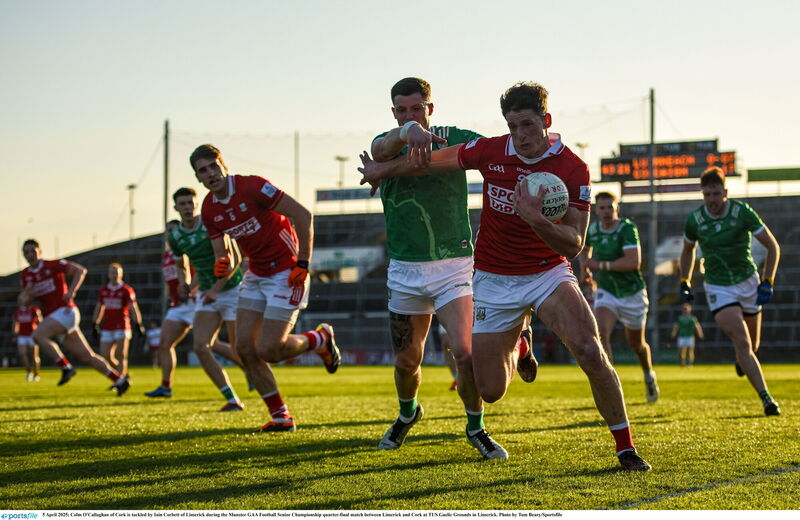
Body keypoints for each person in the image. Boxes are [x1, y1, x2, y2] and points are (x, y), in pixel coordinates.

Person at [359, 82, 651, 471]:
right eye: (512, 126)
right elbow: (427, 161)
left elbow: (574, 244)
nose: (520, 135)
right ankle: (519, 344)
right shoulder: (492, 151)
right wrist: (382, 169)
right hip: (493, 279)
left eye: (528, 125)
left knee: (588, 349)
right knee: (492, 391)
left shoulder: (572, 168)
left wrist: (533, 217)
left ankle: (625, 447)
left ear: (546, 121)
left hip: (547, 273)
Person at [369, 77, 535, 460]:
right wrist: (406, 135)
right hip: (404, 270)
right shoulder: (385, 142)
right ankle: (408, 413)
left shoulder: (453, 137)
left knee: (465, 352)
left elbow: (495, 152)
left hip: (454, 267)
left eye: (417, 108)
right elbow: (381, 149)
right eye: (402, 110)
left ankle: (475, 426)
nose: (410, 115)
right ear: (394, 113)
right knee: (406, 361)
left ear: (431, 108)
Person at [192, 144, 340, 432]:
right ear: (198, 178)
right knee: (245, 349)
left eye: (213, 166)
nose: (210, 174)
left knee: (269, 349)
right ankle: (281, 417)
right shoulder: (209, 209)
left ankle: (319, 339)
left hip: (288, 272)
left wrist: (303, 263)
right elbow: (223, 253)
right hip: (255, 274)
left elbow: (303, 215)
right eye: (203, 171)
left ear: (223, 165)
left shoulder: (253, 186)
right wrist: (221, 264)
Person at [679, 167, 781, 416]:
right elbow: (687, 250)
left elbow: (772, 246)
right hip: (718, 287)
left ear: (725, 192)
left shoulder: (742, 212)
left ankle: (742, 361)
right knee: (743, 341)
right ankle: (766, 399)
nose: (711, 200)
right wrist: (685, 280)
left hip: (748, 282)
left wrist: (767, 280)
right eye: (706, 194)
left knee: (751, 346)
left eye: (715, 194)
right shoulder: (696, 220)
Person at [145, 190, 247, 412]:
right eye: (182, 204)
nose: (187, 207)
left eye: (190, 203)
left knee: (241, 349)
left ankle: (258, 380)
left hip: (231, 291)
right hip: (206, 295)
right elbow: (181, 265)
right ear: (176, 208)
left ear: (196, 204)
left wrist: (215, 288)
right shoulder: (175, 237)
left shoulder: (211, 224)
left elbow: (236, 259)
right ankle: (232, 399)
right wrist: (186, 283)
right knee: (201, 346)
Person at [19, 239, 130, 395]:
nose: (30, 255)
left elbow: (80, 270)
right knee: (88, 356)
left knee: (38, 335)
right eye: (26, 253)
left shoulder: (53, 265)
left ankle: (65, 367)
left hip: (65, 312)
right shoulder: (26, 275)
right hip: (55, 319)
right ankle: (119, 381)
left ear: (40, 251)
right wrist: (27, 294)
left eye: (33, 251)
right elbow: (23, 303)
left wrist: (72, 291)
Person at [579, 192, 659, 403]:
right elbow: (585, 251)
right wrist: (585, 272)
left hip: (632, 293)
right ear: (596, 210)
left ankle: (648, 375)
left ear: (617, 208)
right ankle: (610, 384)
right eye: (602, 208)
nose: (606, 212)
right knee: (601, 332)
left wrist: (597, 265)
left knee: (637, 344)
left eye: (609, 207)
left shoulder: (626, 229)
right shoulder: (593, 229)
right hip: (607, 291)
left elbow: (633, 262)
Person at [91, 263, 145, 379]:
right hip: (107, 326)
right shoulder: (104, 290)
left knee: (121, 355)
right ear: (108, 274)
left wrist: (138, 324)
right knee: (105, 356)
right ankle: (121, 377)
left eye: (116, 273)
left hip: (122, 326)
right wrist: (95, 323)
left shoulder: (126, 290)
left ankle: (120, 379)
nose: (114, 275)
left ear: (121, 274)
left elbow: (133, 308)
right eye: (112, 272)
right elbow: (99, 308)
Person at [12, 299, 43, 381]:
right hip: (22, 336)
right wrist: (15, 335)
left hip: (32, 335)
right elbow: (15, 324)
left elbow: (40, 322)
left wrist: (40, 332)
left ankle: (36, 374)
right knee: (22, 354)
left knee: (34, 356)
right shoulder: (18, 311)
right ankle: (29, 371)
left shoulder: (34, 310)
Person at [671, 303, 704, 367]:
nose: (685, 310)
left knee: (690, 350)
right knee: (681, 350)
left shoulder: (692, 318)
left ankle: (690, 363)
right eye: (684, 309)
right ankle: (682, 362)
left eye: (686, 309)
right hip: (682, 336)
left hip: (690, 336)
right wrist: (674, 333)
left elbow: (697, 326)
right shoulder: (680, 318)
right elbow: (676, 326)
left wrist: (700, 333)